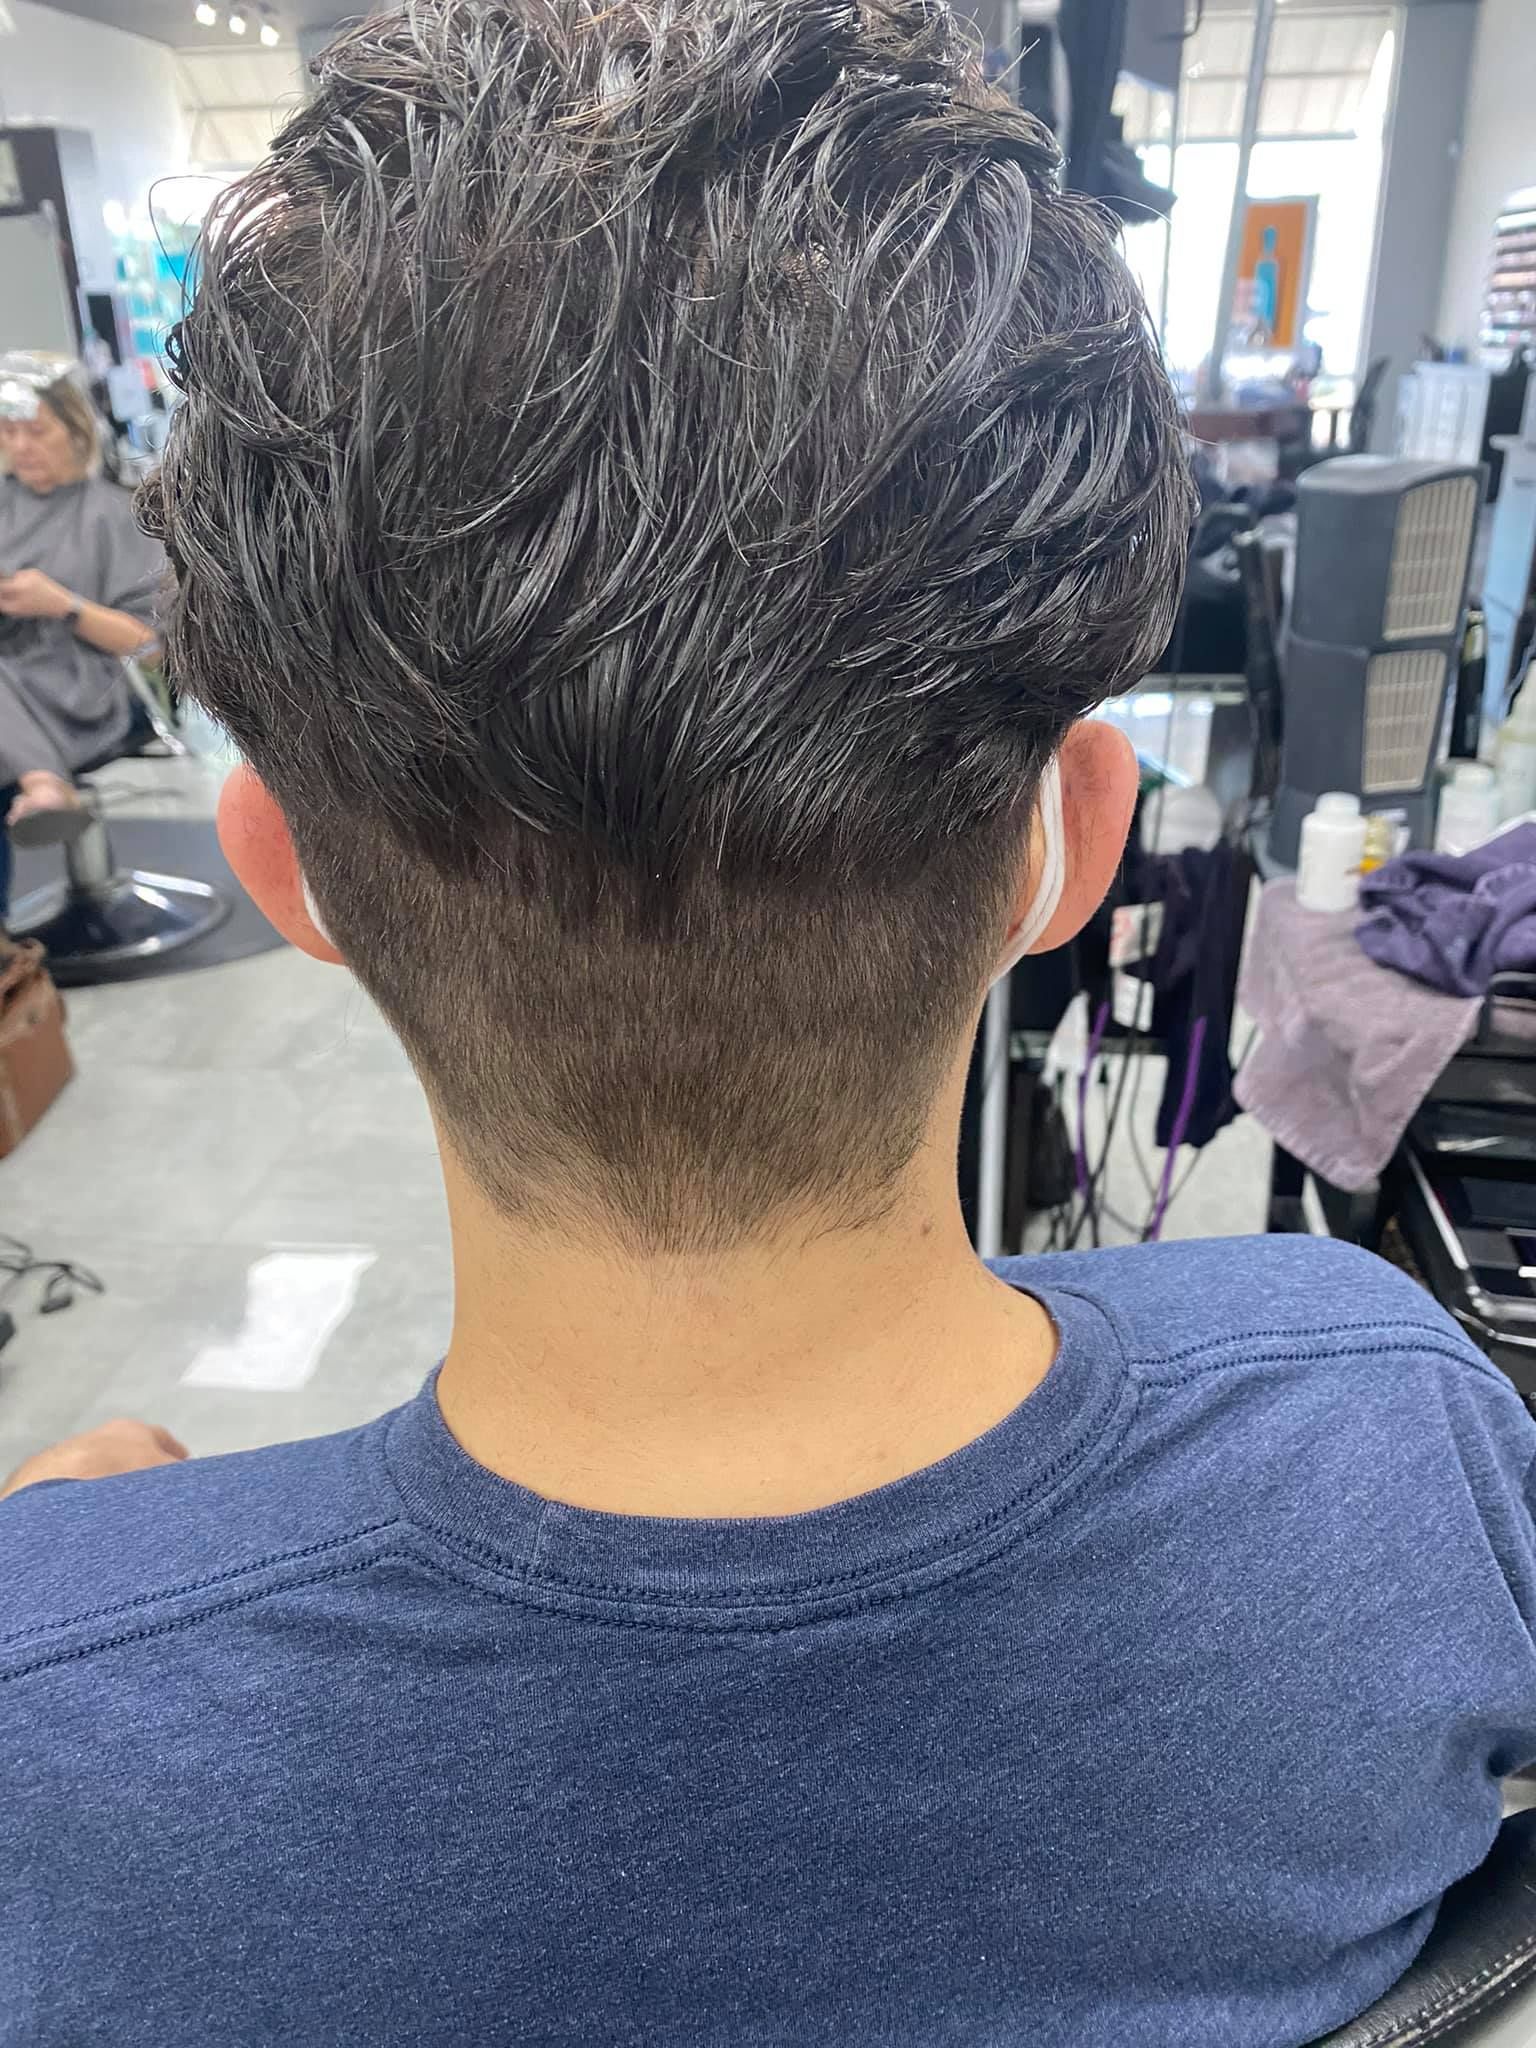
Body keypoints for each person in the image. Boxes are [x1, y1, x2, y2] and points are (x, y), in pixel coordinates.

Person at [3, 5, 1535, 2043]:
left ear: (286, 873)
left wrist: (77, 1615)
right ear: (1071, 847)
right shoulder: (1381, 1420)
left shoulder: (65, 1719)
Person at [0, 354, 165, 891]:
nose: (22, 446)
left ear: (75, 430)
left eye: (37, 431)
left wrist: (63, 604)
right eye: (9, 432)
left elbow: (153, 645)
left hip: (81, 686)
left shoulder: (114, 514)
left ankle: (45, 783)